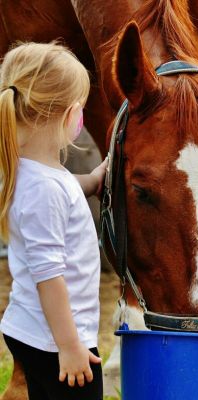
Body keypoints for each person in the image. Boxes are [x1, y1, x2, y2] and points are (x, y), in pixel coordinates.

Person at [0, 41, 107, 400]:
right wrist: (70, 346)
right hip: (55, 340)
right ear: (68, 115)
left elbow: (64, 191)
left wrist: (93, 180)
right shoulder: (43, 189)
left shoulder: (36, 174)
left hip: (32, 329)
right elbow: (49, 277)